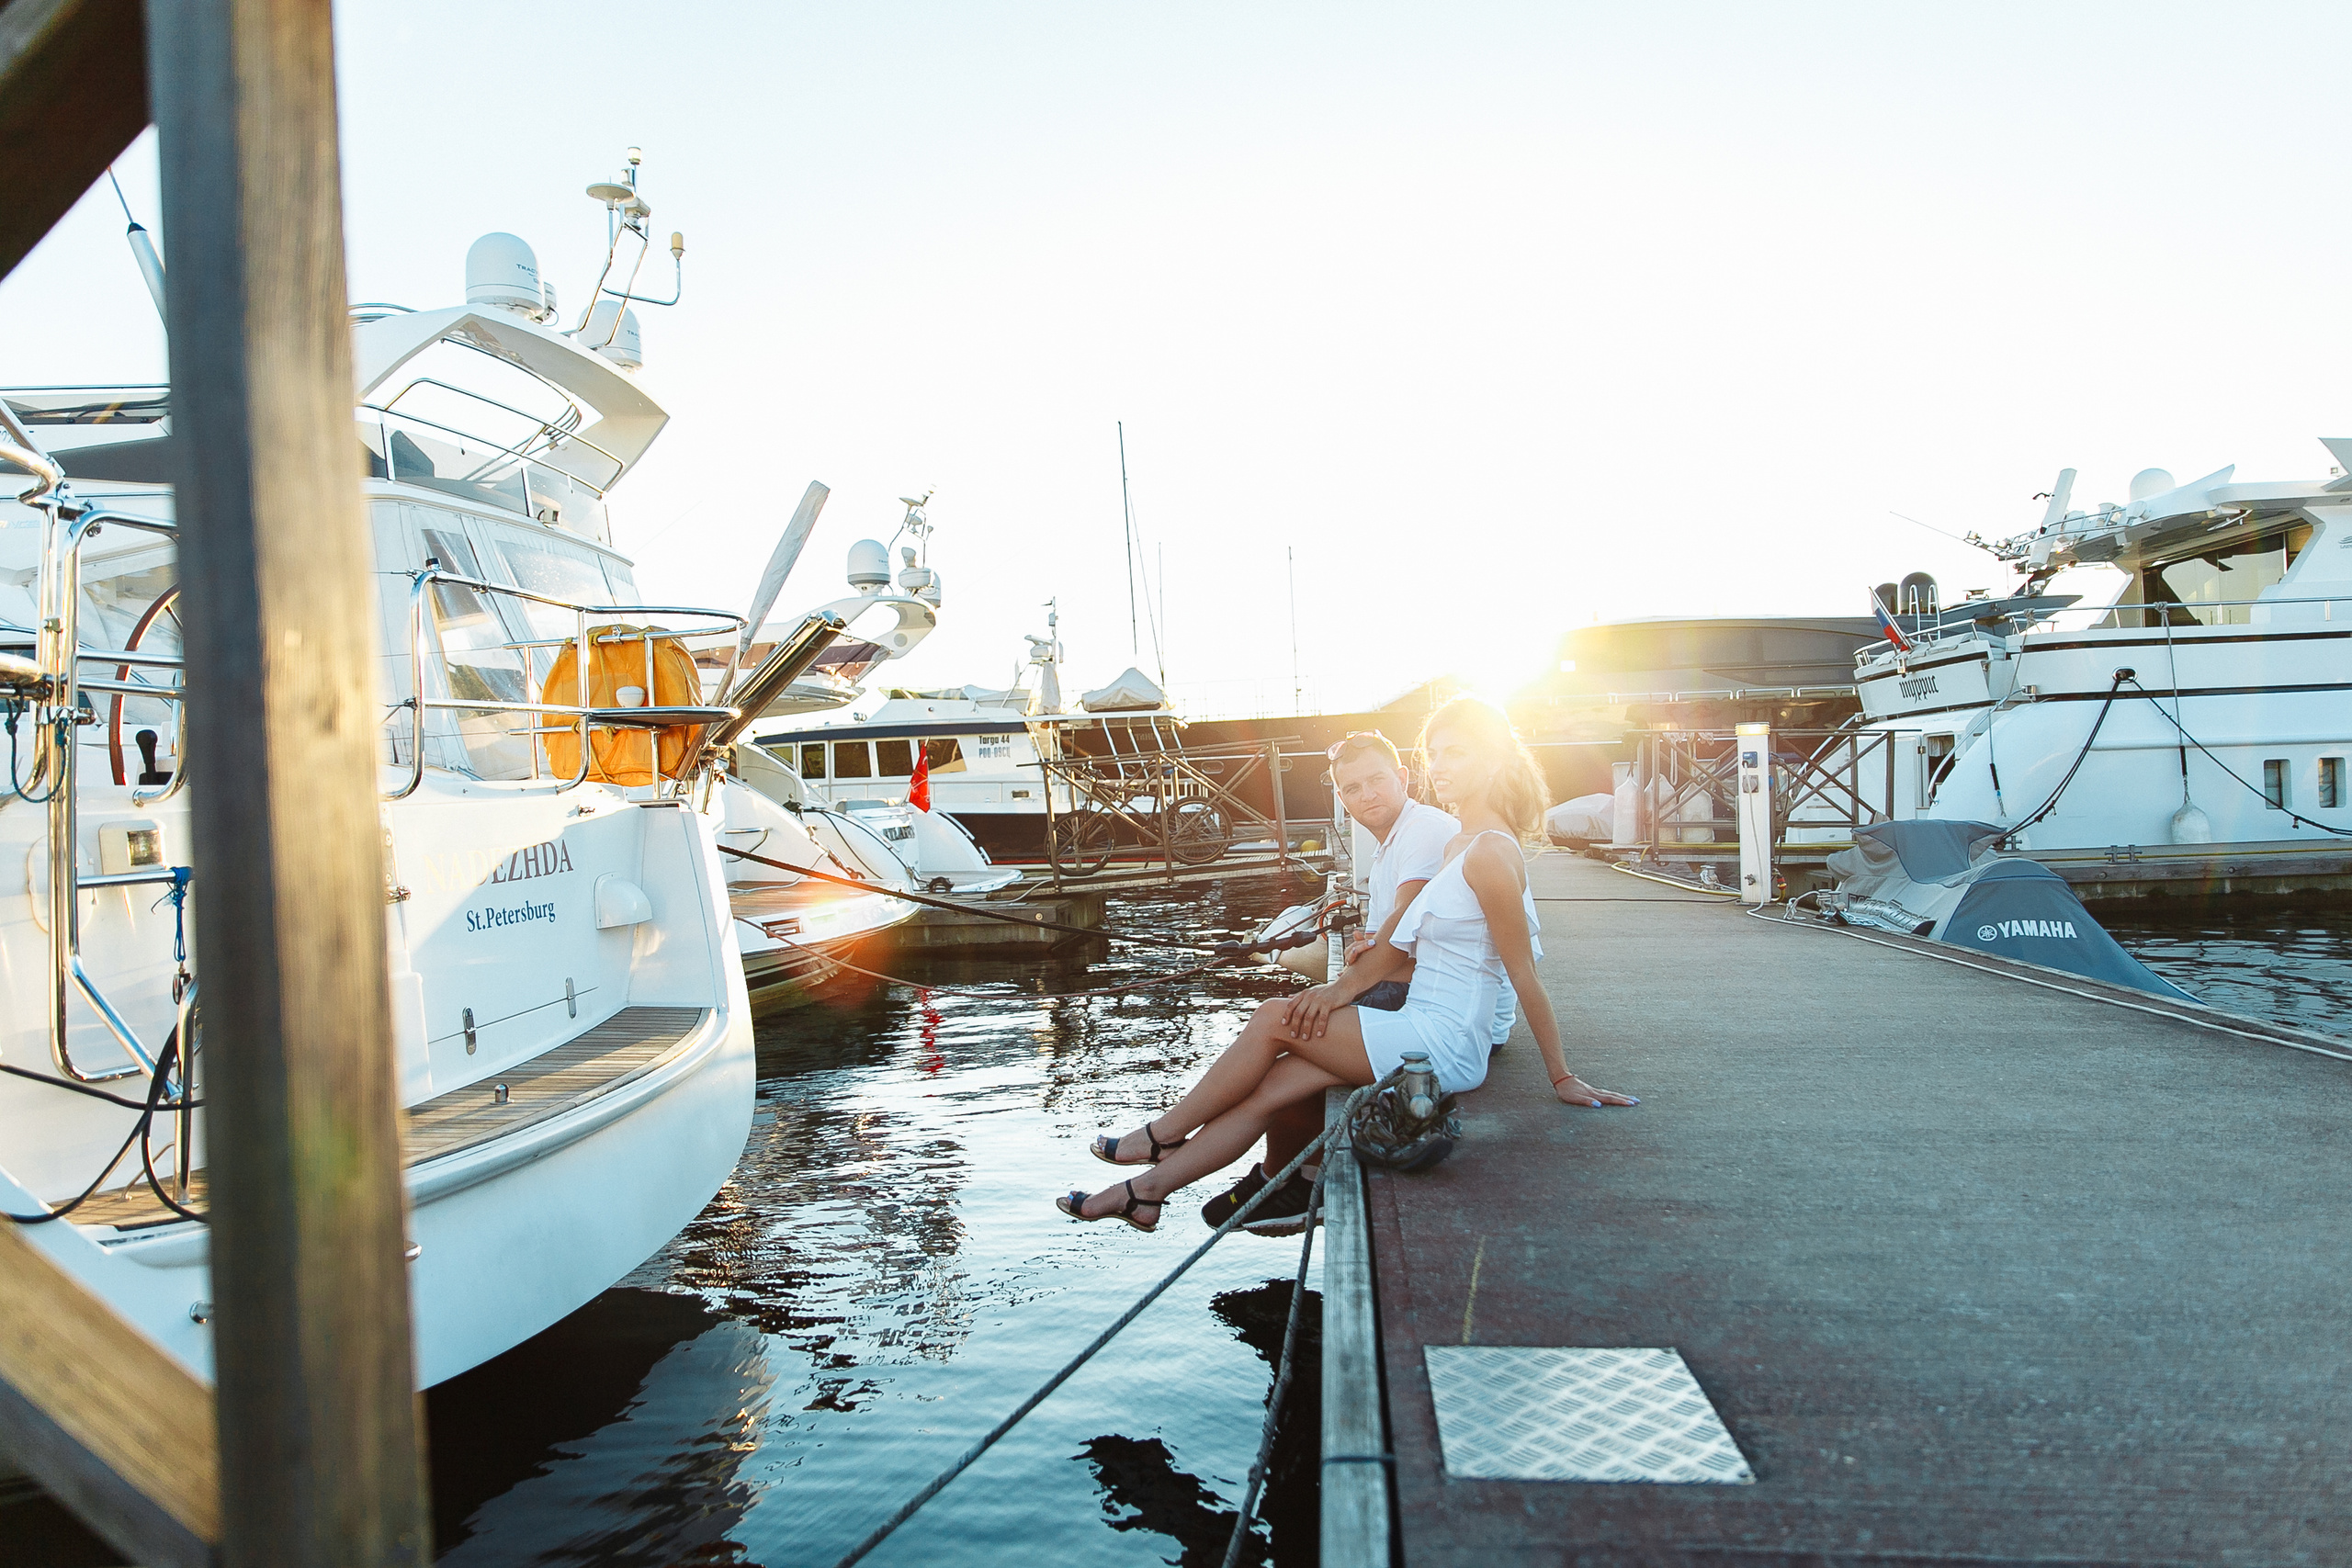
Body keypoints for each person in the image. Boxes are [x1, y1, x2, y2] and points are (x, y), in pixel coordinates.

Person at [1056, 697, 1636, 1235]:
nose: (1440, 765)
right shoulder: (1461, 842)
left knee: (1274, 1017)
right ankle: (1144, 1192)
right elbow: (1392, 952)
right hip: (1418, 1023)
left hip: (1446, 1041)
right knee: (1271, 1090)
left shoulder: (1488, 853)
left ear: (1495, 758)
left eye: (1457, 752)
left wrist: (1560, 1075)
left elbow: (1522, 973)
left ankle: (1160, 1136)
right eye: (1434, 753)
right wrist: (1338, 991)